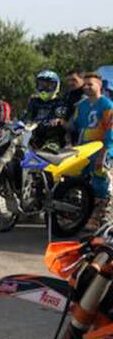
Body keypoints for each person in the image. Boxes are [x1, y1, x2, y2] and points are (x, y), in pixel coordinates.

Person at [72, 73, 113, 232]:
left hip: (101, 150)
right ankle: (82, 215)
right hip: (83, 150)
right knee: (81, 181)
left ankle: (99, 217)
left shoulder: (107, 105)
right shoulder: (81, 105)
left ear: (99, 86)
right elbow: (74, 126)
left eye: (91, 84)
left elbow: (110, 131)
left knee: (100, 182)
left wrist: (104, 152)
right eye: (85, 84)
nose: (87, 87)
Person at [23, 69, 69, 150]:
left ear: (56, 86)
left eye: (49, 85)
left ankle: (52, 146)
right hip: (33, 135)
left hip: (51, 137)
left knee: (56, 129)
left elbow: (58, 120)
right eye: (41, 85)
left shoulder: (60, 102)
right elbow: (27, 117)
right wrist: (26, 123)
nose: (44, 89)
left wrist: (44, 123)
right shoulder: (34, 101)